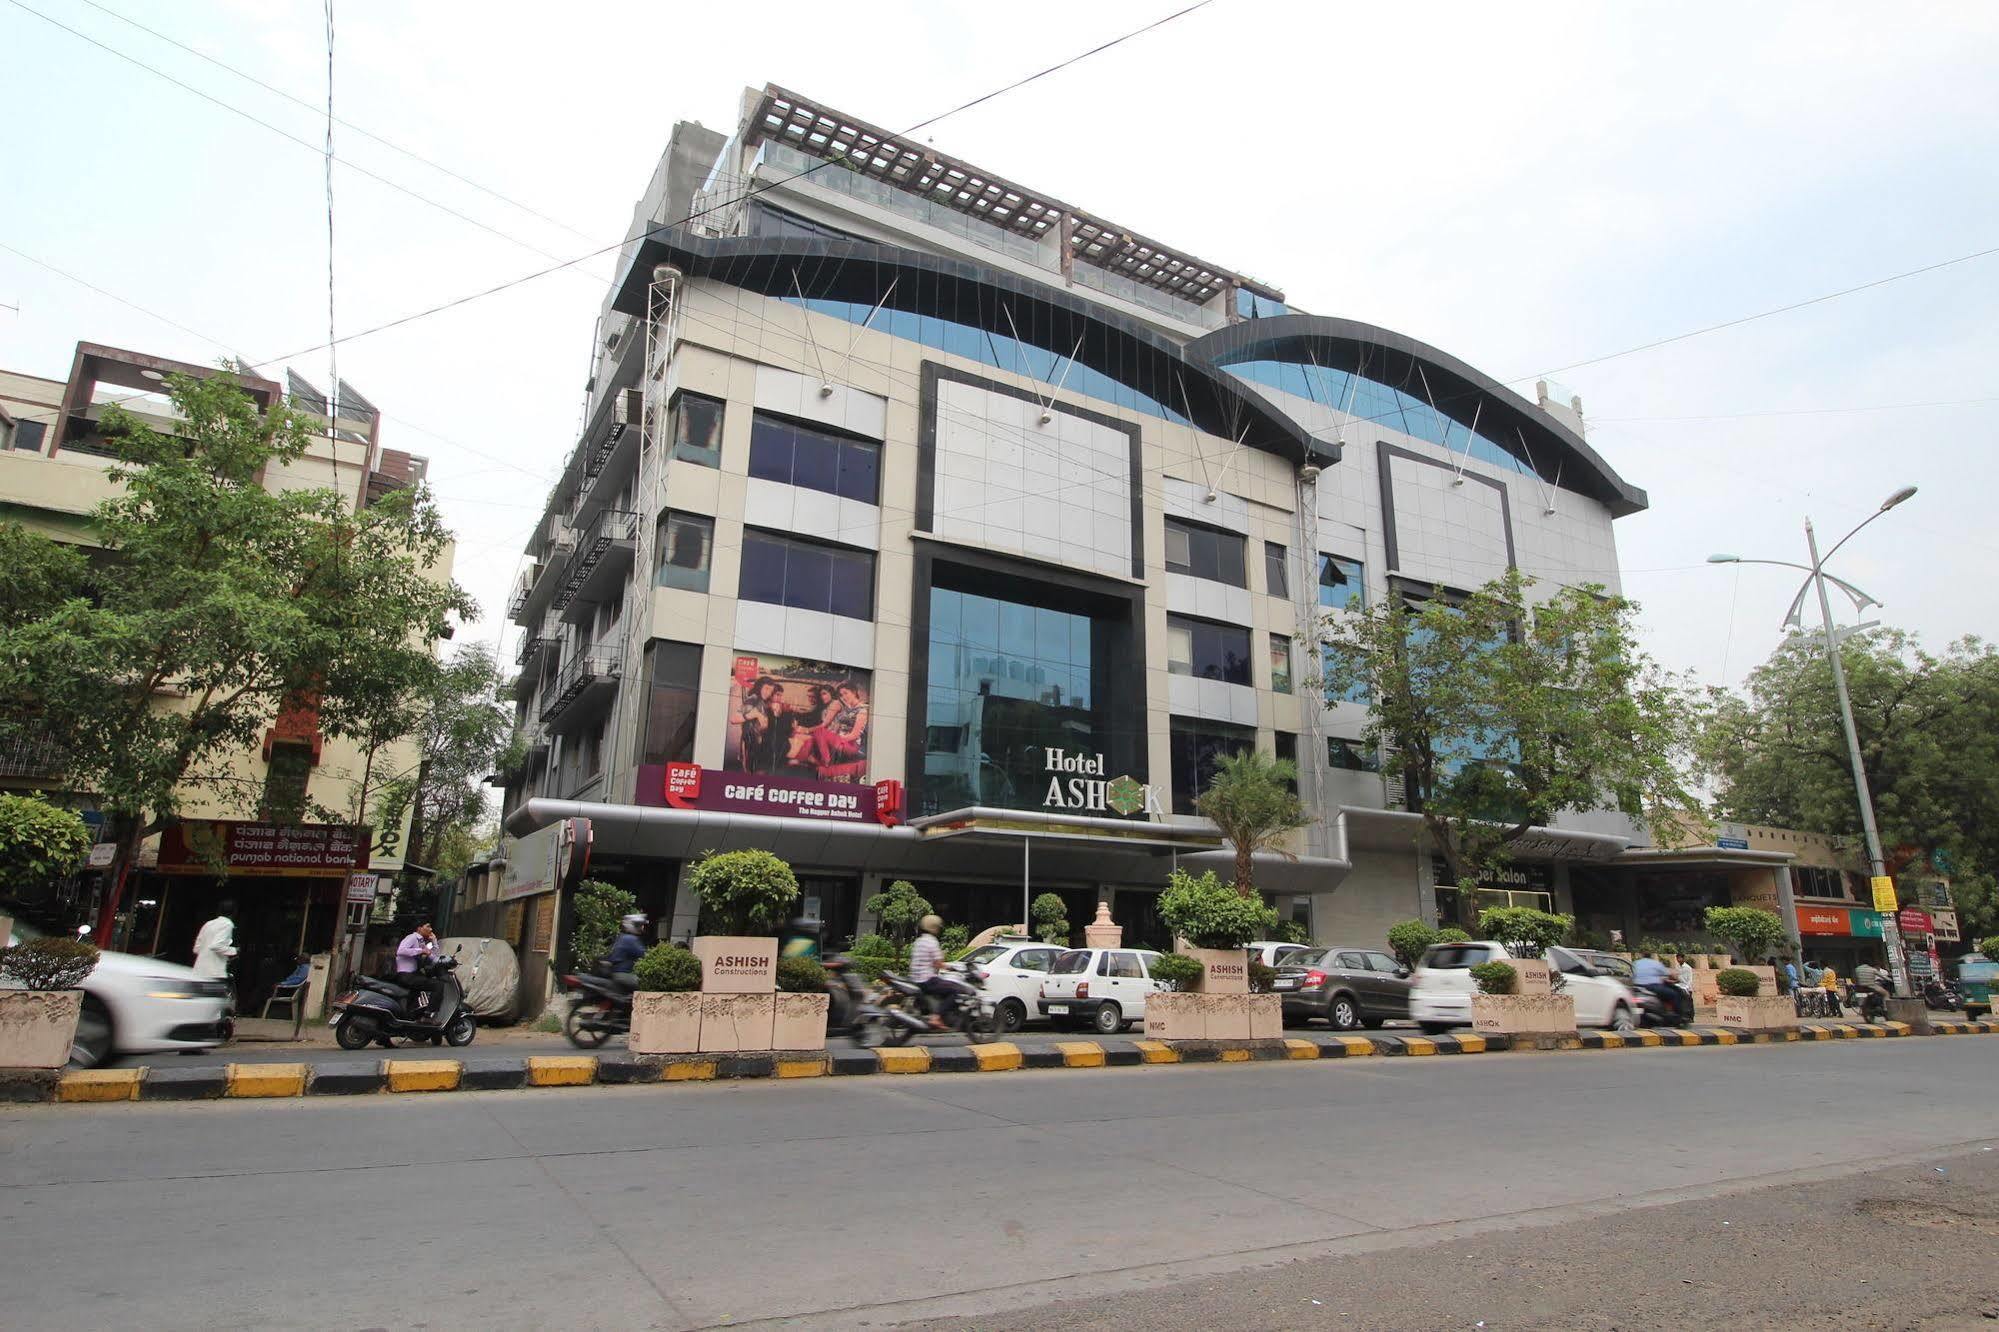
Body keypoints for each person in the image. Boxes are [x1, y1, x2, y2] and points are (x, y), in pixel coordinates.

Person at [909, 913, 951, 1030]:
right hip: (927, 979)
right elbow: (938, 963)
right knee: (954, 991)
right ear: (935, 927)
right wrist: (950, 967)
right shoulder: (932, 941)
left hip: (915, 979)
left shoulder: (919, 941)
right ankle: (936, 1017)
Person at [394, 922, 442, 1022]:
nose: (431, 929)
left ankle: (410, 1018)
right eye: (428, 926)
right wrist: (421, 951)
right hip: (406, 975)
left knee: (416, 995)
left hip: (412, 975)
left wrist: (434, 942)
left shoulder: (421, 942)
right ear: (419, 928)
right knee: (438, 985)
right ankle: (428, 1015)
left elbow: (434, 958)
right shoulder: (412, 937)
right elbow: (401, 951)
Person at [191, 902, 238, 982]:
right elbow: (216, 946)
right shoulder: (227, 924)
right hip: (214, 972)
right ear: (234, 912)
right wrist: (234, 950)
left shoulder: (209, 924)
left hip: (199, 969)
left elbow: (196, 949)